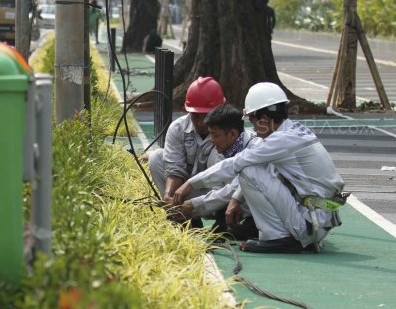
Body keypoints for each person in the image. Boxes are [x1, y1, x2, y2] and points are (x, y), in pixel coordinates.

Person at [173, 82, 345, 253]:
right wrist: (234, 200)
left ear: (263, 120)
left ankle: (277, 237)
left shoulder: (281, 140)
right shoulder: (293, 132)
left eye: (253, 121)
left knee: (249, 170)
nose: (253, 128)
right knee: (253, 170)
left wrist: (190, 184)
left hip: (310, 222)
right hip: (316, 220)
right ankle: (281, 235)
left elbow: (235, 164)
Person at [172, 103, 260, 240]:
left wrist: (194, 205)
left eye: (215, 135)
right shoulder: (224, 149)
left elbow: (233, 188)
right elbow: (219, 184)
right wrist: (190, 184)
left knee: (244, 181)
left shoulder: (255, 148)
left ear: (232, 134)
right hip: (242, 204)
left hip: (264, 208)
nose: (212, 141)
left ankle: (254, 226)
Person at [148, 76, 226, 226]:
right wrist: (169, 194)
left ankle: (219, 216)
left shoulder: (228, 131)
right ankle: (180, 214)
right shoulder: (178, 128)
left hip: (217, 193)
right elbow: (175, 168)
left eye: (207, 116)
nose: (201, 122)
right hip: (184, 192)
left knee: (217, 156)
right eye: (196, 116)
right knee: (156, 157)